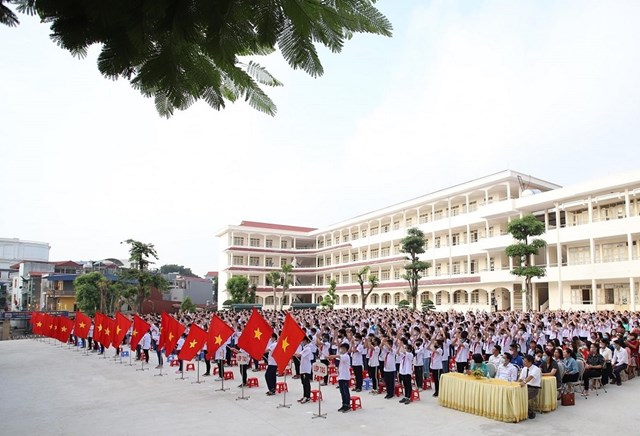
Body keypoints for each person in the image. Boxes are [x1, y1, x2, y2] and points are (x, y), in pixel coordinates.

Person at [328, 343, 352, 412]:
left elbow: (337, 356)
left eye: (342, 348)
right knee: (342, 392)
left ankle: (347, 405)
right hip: (341, 376)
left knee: (345, 391)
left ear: (345, 349)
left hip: (345, 377)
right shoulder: (343, 356)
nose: (340, 350)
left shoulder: (346, 356)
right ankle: (343, 404)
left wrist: (330, 356)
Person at [518, 355, 542, 420]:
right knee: (516, 395)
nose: (523, 362)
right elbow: (520, 379)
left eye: (525, 361)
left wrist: (524, 382)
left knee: (523, 397)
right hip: (525, 386)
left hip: (533, 388)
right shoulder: (524, 368)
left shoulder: (536, 369)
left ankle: (530, 412)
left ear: (530, 362)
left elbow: (530, 377)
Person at [296, 335, 314, 403]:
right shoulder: (304, 348)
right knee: (303, 383)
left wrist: (292, 352)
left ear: (306, 341)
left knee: (306, 383)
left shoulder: (308, 348)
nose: (301, 342)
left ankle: (307, 397)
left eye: (302, 340)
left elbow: (299, 355)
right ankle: (304, 395)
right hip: (303, 367)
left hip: (306, 368)